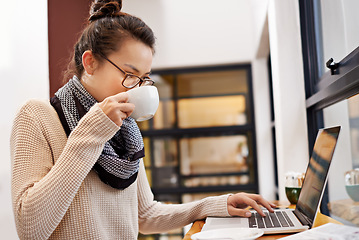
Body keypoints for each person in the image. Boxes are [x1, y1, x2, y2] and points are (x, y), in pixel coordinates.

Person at [10, 0, 276, 239]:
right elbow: (30, 228)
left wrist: (215, 205)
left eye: (143, 79)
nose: (136, 88)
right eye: (129, 74)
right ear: (90, 63)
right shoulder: (38, 116)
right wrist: (91, 132)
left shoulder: (124, 130)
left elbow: (145, 215)